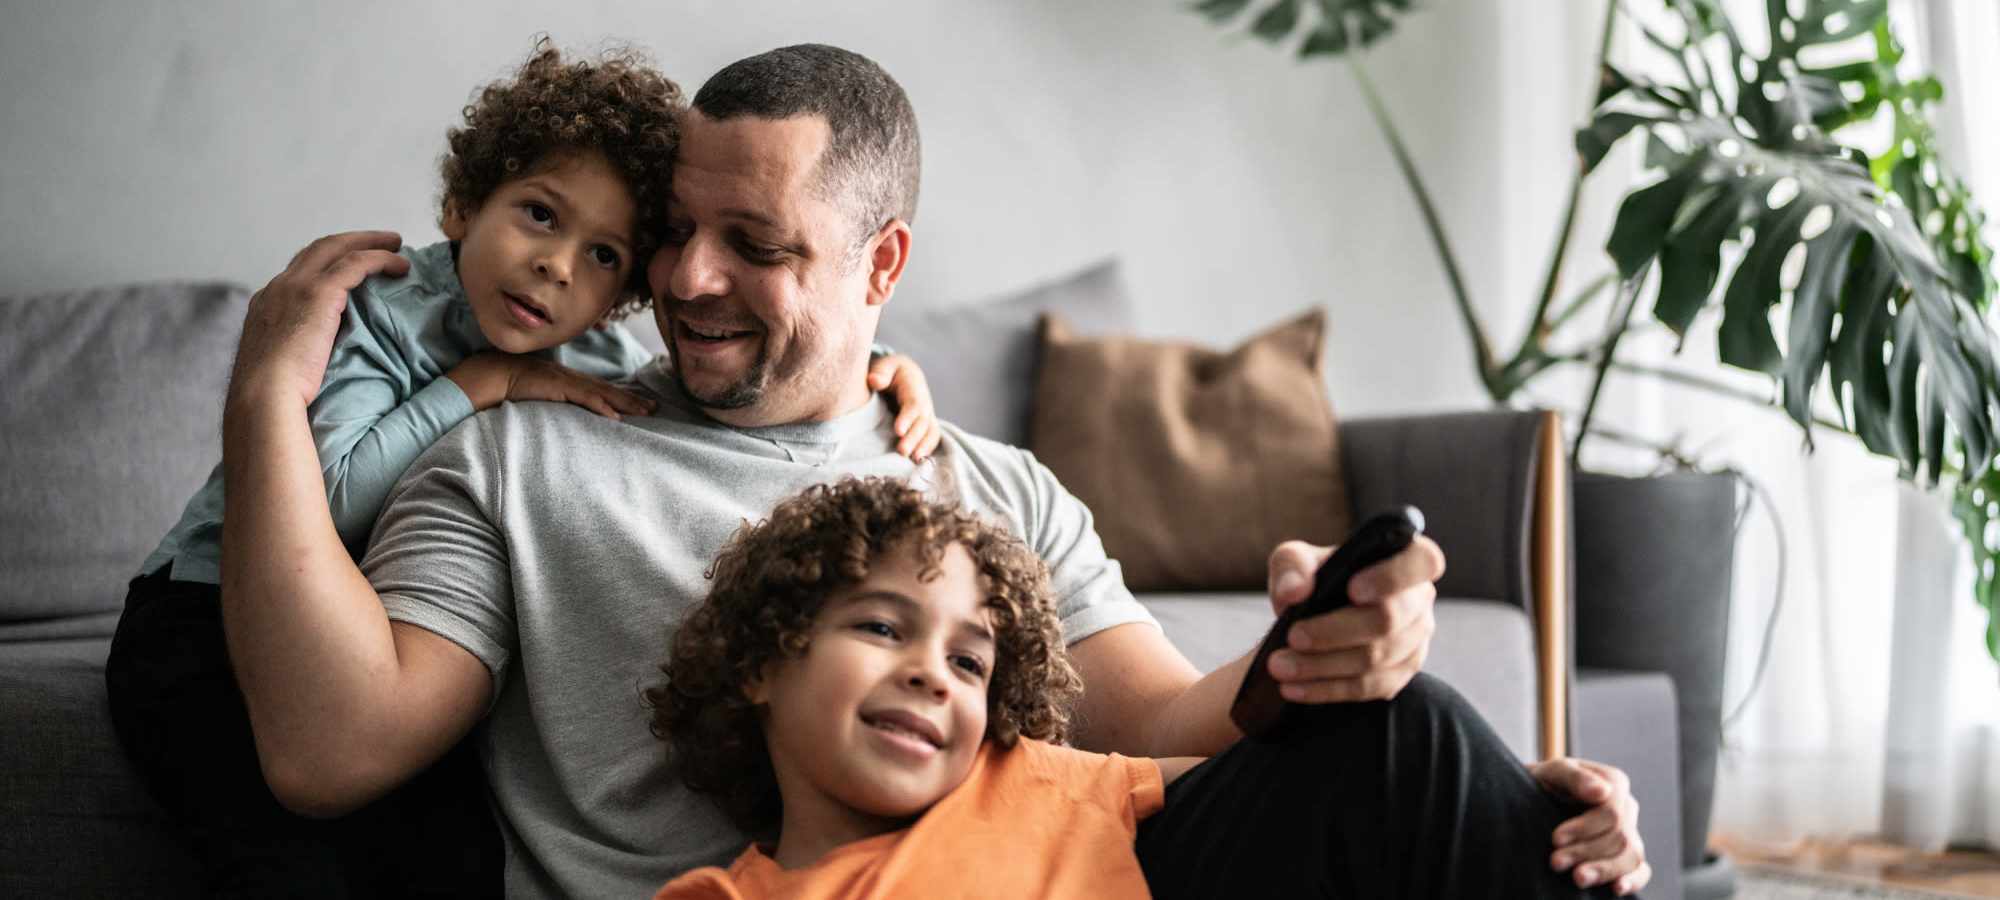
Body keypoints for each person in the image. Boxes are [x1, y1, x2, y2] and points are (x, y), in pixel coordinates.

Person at [218, 43, 1653, 899]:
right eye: (675, 231)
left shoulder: (993, 484)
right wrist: (268, 397)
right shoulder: (525, 452)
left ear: (880, 263)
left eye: (759, 248)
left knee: (1429, 748)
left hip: (1045, 880)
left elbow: (1165, 719)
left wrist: (1326, 659)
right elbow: (324, 755)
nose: (687, 279)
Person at [103, 41, 940, 899]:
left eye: (606, 255)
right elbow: (322, 497)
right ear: (465, 203)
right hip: (203, 614)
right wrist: (476, 387)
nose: (558, 264)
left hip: (349, 623)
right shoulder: (385, 314)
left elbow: (758, 365)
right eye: (540, 215)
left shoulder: (577, 341)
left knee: (462, 852)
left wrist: (880, 371)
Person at [650, 476, 1198, 898]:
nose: (932, 674)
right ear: (758, 665)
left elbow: (1263, 767)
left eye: (966, 663)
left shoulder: (1038, 778)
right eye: (882, 628)